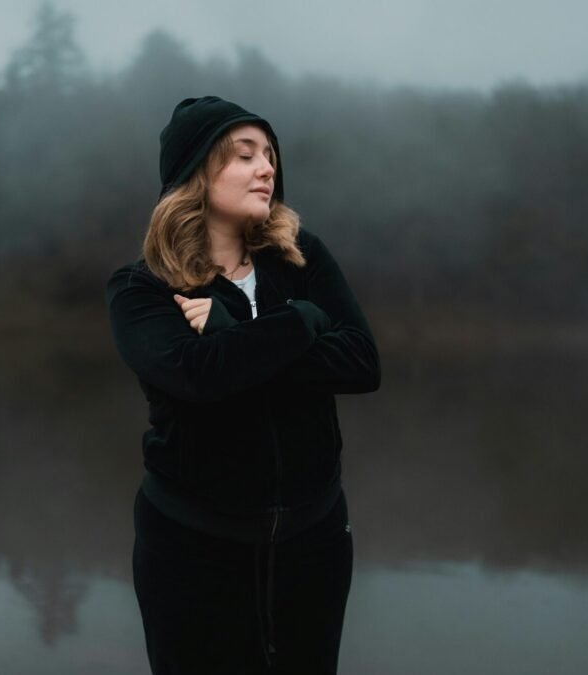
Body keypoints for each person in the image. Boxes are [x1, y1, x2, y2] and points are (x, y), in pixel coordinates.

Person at [104, 95, 381, 674]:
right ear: (195, 173)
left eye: (271, 155)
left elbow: (360, 363)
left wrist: (241, 330)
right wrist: (302, 324)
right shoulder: (141, 289)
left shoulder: (301, 257)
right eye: (245, 155)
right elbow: (199, 378)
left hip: (315, 542)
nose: (268, 168)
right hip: (191, 551)